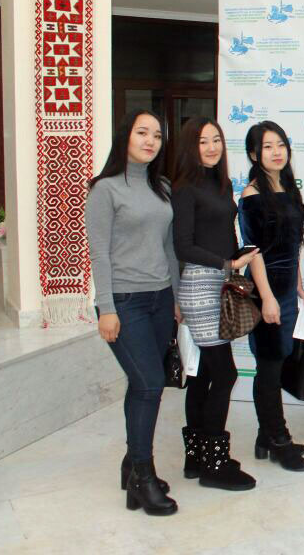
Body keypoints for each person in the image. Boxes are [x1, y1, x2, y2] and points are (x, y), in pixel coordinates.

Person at [86, 109, 181, 515]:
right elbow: (99, 255)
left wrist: (175, 297)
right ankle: (143, 474)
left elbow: (169, 247)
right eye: (143, 133)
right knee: (150, 383)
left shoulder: (162, 187)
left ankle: (133, 465)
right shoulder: (104, 189)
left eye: (157, 135)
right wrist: (107, 308)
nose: (150, 141)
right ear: (125, 136)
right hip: (125, 302)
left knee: (141, 384)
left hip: (160, 299)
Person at [172, 117, 258, 491]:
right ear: (190, 147)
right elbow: (183, 246)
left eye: (216, 140)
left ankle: (197, 457)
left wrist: (238, 257)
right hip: (199, 285)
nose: (211, 147)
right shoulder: (184, 188)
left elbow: (221, 235)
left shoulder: (220, 185)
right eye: (203, 141)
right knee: (225, 375)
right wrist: (227, 264)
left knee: (205, 374)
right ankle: (214, 465)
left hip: (219, 283)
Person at [239, 121, 304, 472]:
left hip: (286, 288)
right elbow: (254, 252)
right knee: (267, 366)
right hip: (264, 289)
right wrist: (266, 297)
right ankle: (278, 438)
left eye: (280, 144)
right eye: (268, 147)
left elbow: (292, 243)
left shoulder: (290, 188)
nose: (276, 152)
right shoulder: (251, 195)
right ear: (254, 154)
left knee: (277, 362)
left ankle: (265, 435)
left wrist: (298, 283)